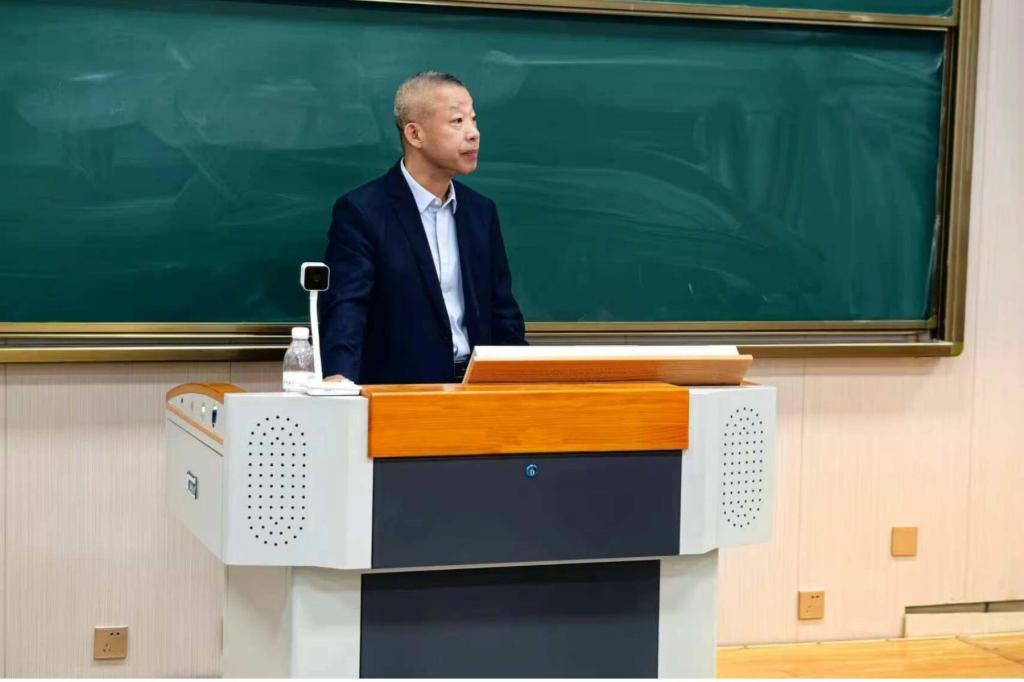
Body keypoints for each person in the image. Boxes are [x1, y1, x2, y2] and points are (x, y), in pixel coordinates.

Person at [319, 71, 527, 384]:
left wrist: (523, 378)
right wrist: (339, 378)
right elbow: (347, 306)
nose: (473, 133)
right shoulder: (363, 211)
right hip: (405, 392)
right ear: (415, 134)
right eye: (457, 121)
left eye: (473, 120)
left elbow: (502, 312)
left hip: (477, 389)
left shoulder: (480, 211)